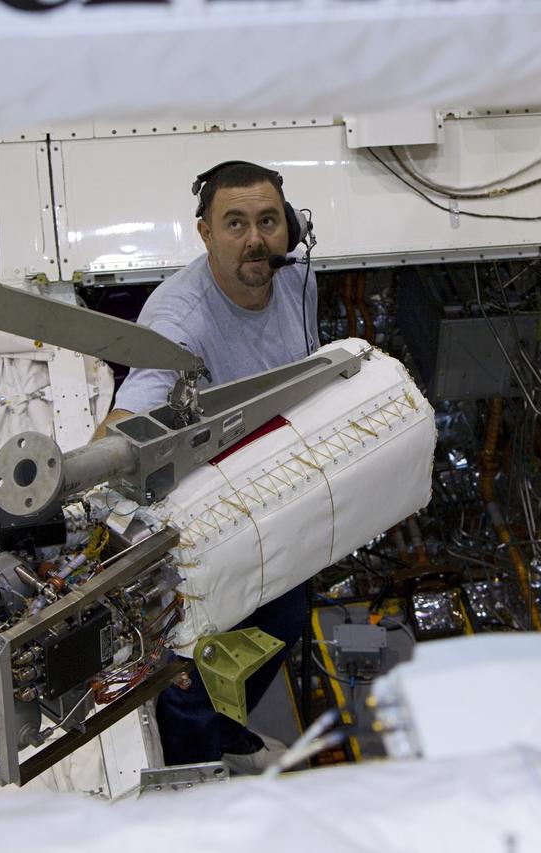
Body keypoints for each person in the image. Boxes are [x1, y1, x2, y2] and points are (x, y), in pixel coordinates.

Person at [96, 161, 318, 772]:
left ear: (289, 227)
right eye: (235, 224)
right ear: (205, 233)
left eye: (268, 221)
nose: (256, 240)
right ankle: (195, 777)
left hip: (278, 498)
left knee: (283, 622)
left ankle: (229, 732)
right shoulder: (181, 318)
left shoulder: (299, 279)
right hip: (210, 524)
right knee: (194, 675)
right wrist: (90, 479)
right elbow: (134, 411)